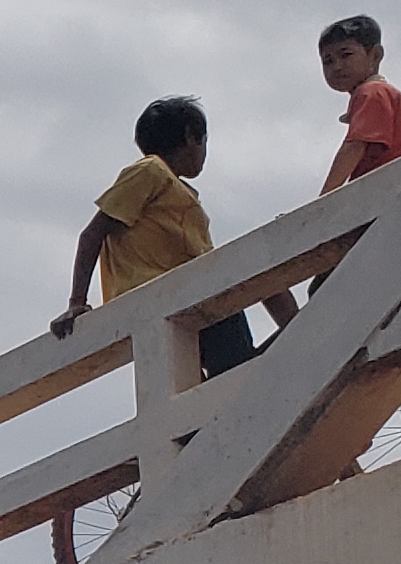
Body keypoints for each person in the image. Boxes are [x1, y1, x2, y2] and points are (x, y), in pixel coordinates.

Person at [53, 94, 256, 377]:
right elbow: (92, 234)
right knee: (239, 361)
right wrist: (76, 302)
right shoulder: (151, 171)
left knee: (202, 387)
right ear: (190, 136)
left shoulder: (172, 186)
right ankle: (294, 326)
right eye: (204, 141)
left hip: (177, 299)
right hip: (177, 294)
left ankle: (287, 336)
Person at [318, 15, 401, 193]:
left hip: (388, 189)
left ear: (374, 56)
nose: (337, 66)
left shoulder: (371, 92)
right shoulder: (379, 93)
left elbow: (354, 147)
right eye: (328, 61)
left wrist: (323, 201)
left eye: (346, 55)